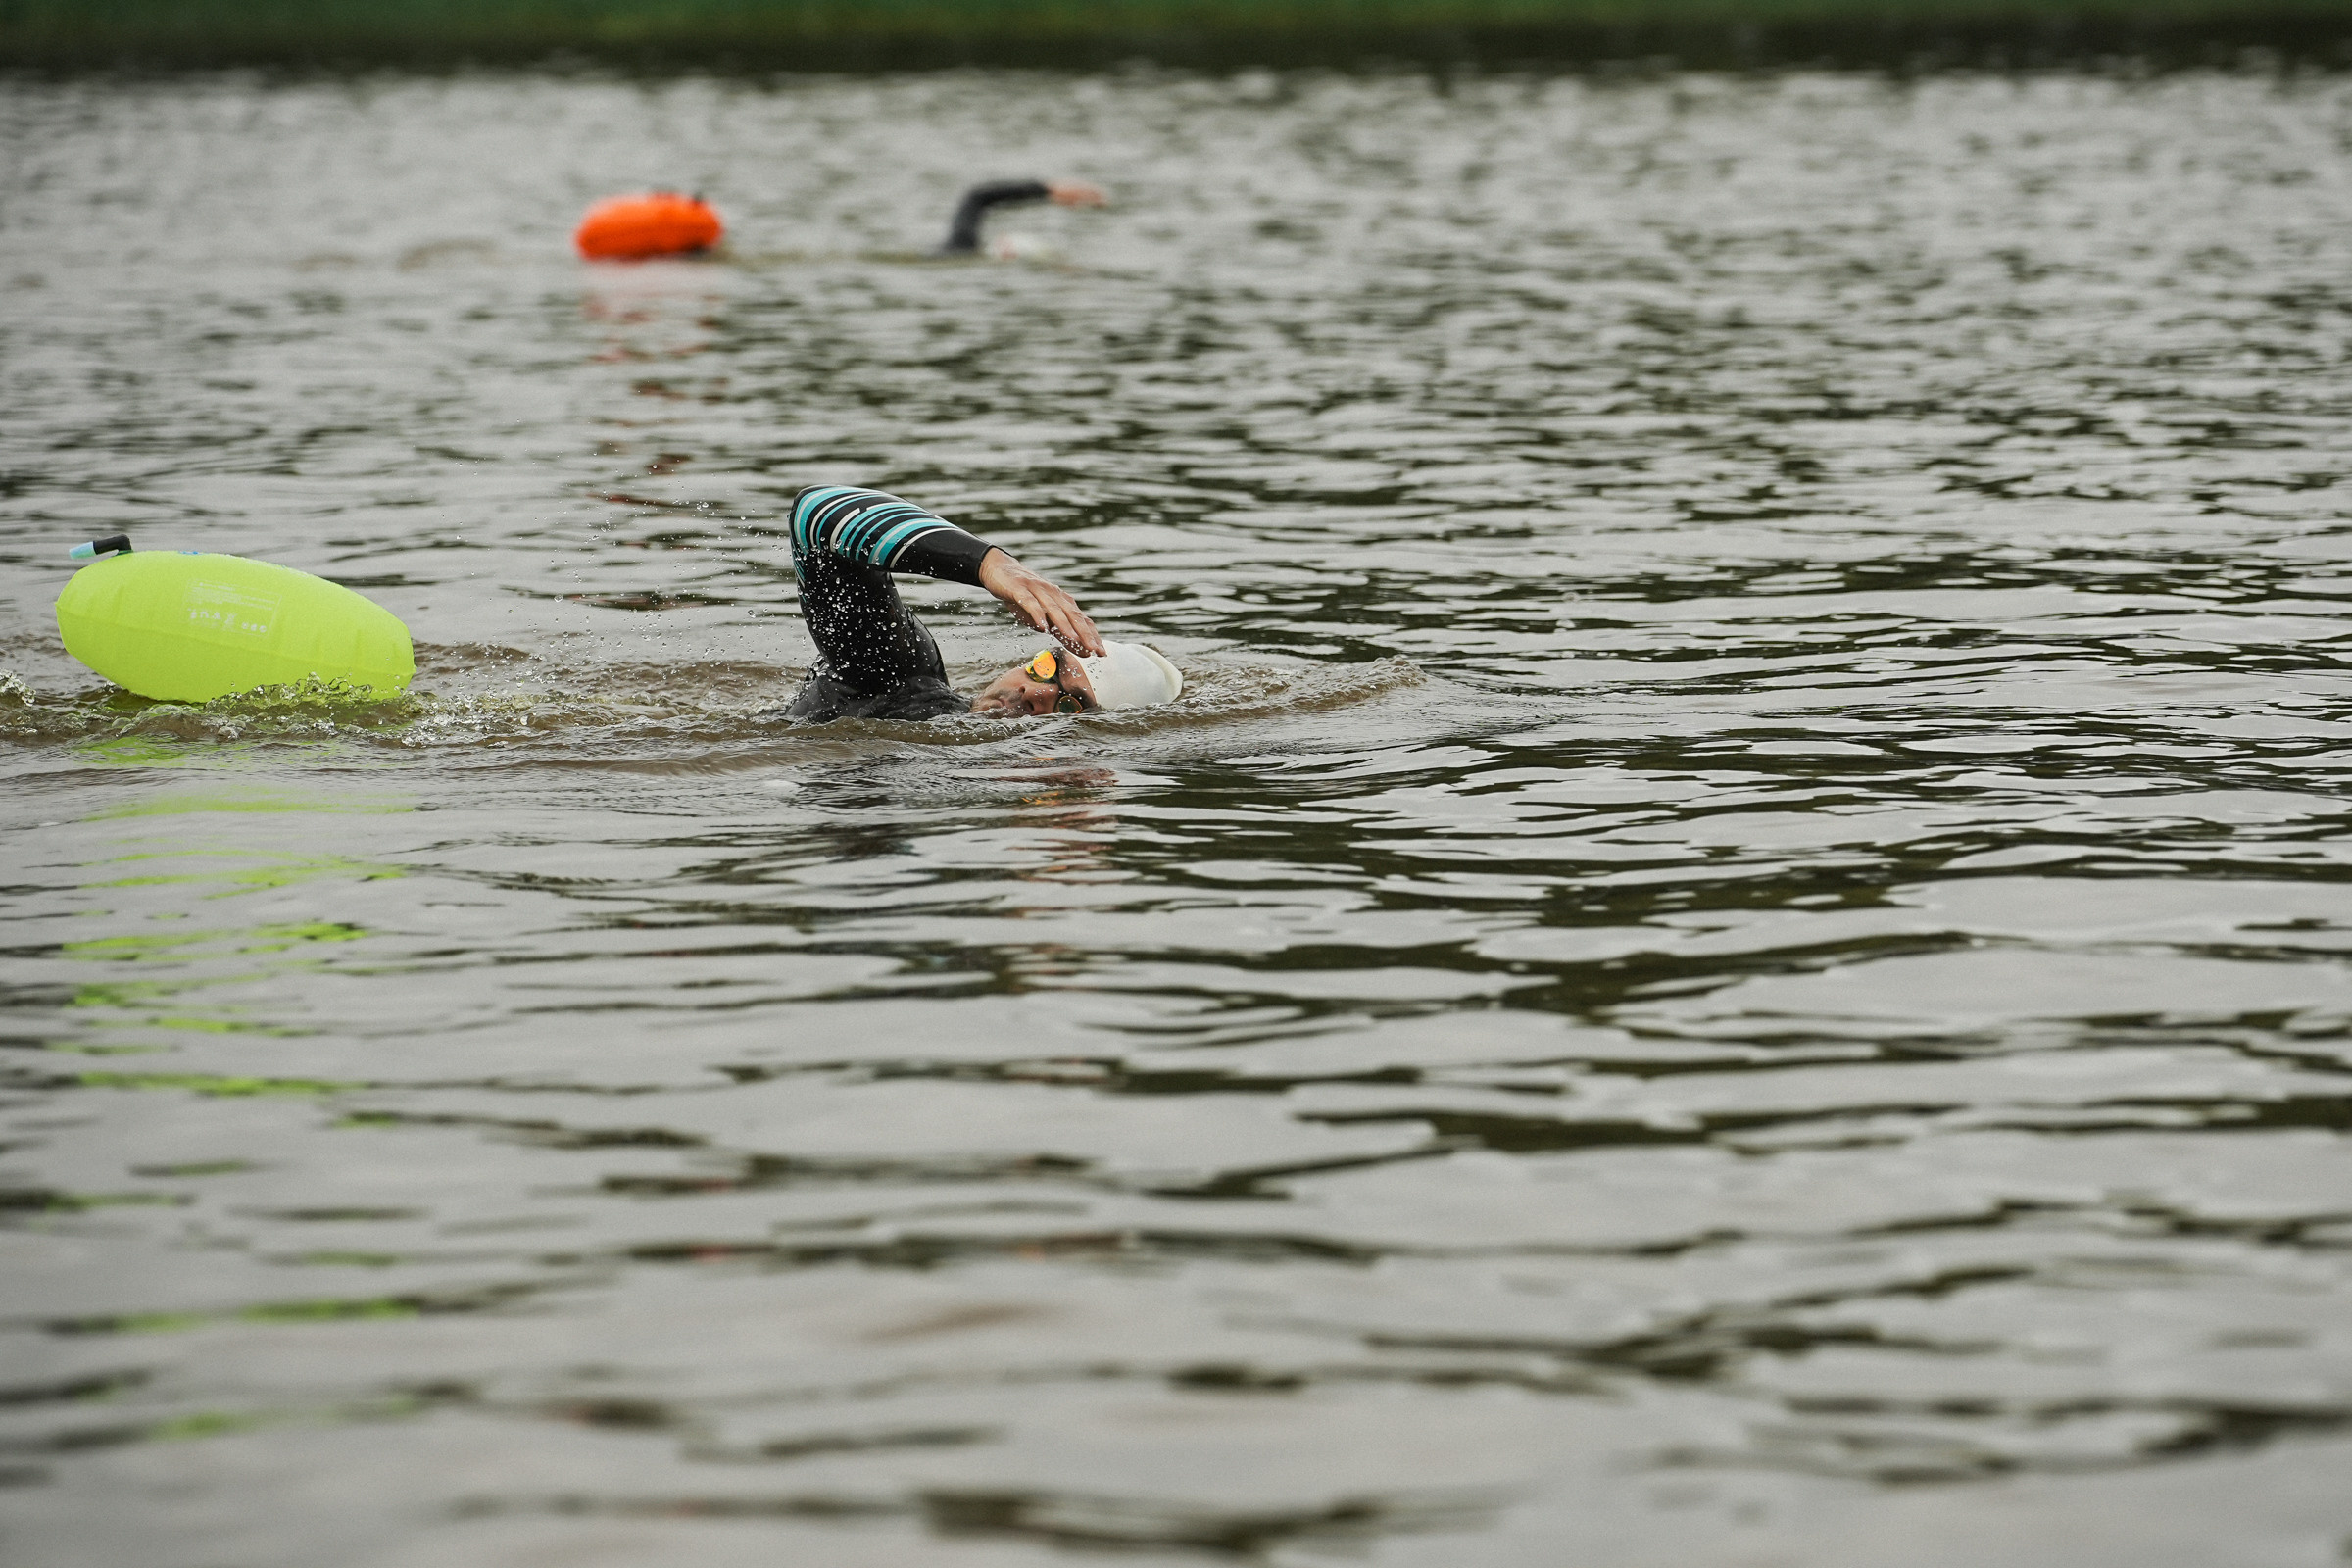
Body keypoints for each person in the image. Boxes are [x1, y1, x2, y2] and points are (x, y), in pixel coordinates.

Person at [779, 484, 1182, 723]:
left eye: (1069, 705)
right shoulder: (896, 679)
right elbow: (814, 512)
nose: (1036, 693)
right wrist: (989, 564)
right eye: (1048, 668)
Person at [939, 179, 1107, 257]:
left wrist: (1048, 191)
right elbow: (977, 197)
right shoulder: (961, 249)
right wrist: (1049, 191)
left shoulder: (960, 247)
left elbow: (977, 197)